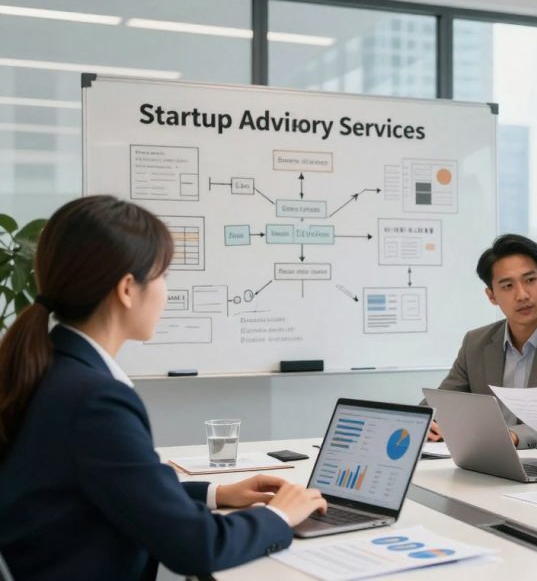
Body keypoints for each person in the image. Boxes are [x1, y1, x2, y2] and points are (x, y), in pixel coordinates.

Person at [0, 196, 327, 580]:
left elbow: (112, 485)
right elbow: (197, 548)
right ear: (127, 289)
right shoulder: (94, 400)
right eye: (163, 276)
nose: (166, 292)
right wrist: (279, 516)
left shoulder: (52, 367)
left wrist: (216, 494)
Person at [427, 234, 537, 452]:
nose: (522, 295)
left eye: (530, 280)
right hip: (485, 465)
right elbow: (440, 405)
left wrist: (511, 437)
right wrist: (430, 423)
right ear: (491, 295)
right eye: (507, 286)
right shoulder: (476, 343)